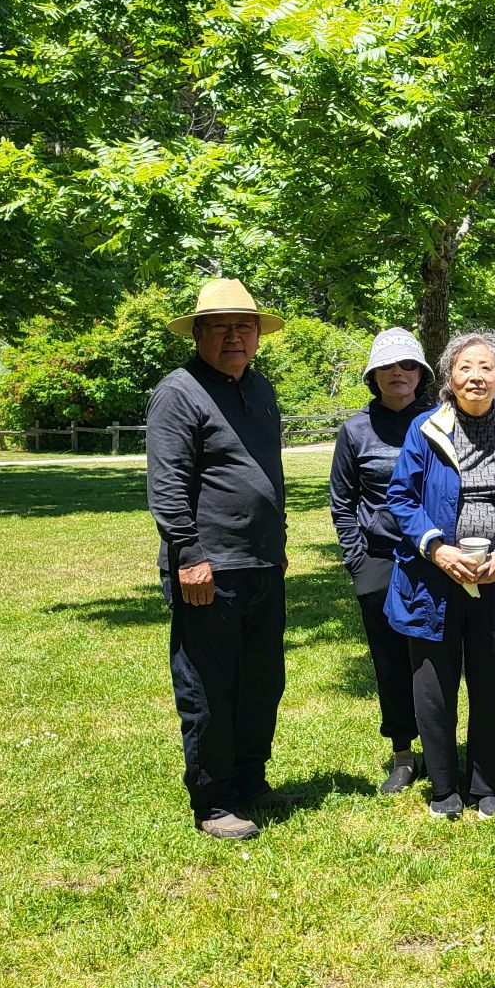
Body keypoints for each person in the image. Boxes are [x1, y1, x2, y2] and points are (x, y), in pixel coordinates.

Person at [146, 279, 290, 842]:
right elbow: (167, 482)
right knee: (208, 684)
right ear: (199, 332)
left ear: (257, 335)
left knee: (261, 681)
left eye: (245, 326)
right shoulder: (179, 392)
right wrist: (188, 554)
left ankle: (251, 780)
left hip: (260, 563)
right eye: (222, 326)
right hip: (208, 566)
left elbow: (267, 474)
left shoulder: (261, 389)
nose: (235, 336)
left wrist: (275, 548)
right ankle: (212, 799)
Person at [385, 332, 495, 819]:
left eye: (486, 368)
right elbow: (402, 496)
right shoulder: (425, 428)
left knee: (491, 680)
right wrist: (437, 549)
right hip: (434, 580)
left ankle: (490, 784)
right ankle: (443, 788)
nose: (475, 377)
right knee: (433, 683)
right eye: (465, 368)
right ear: (449, 377)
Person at [329, 328, 435, 795]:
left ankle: (439, 747)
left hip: (432, 555)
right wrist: (357, 560)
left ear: (421, 375)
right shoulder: (355, 430)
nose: (399, 374)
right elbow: (342, 502)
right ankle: (403, 752)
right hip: (377, 558)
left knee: (433, 658)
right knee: (389, 660)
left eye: (409, 366)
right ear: (374, 376)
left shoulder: (437, 421)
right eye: (389, 367)